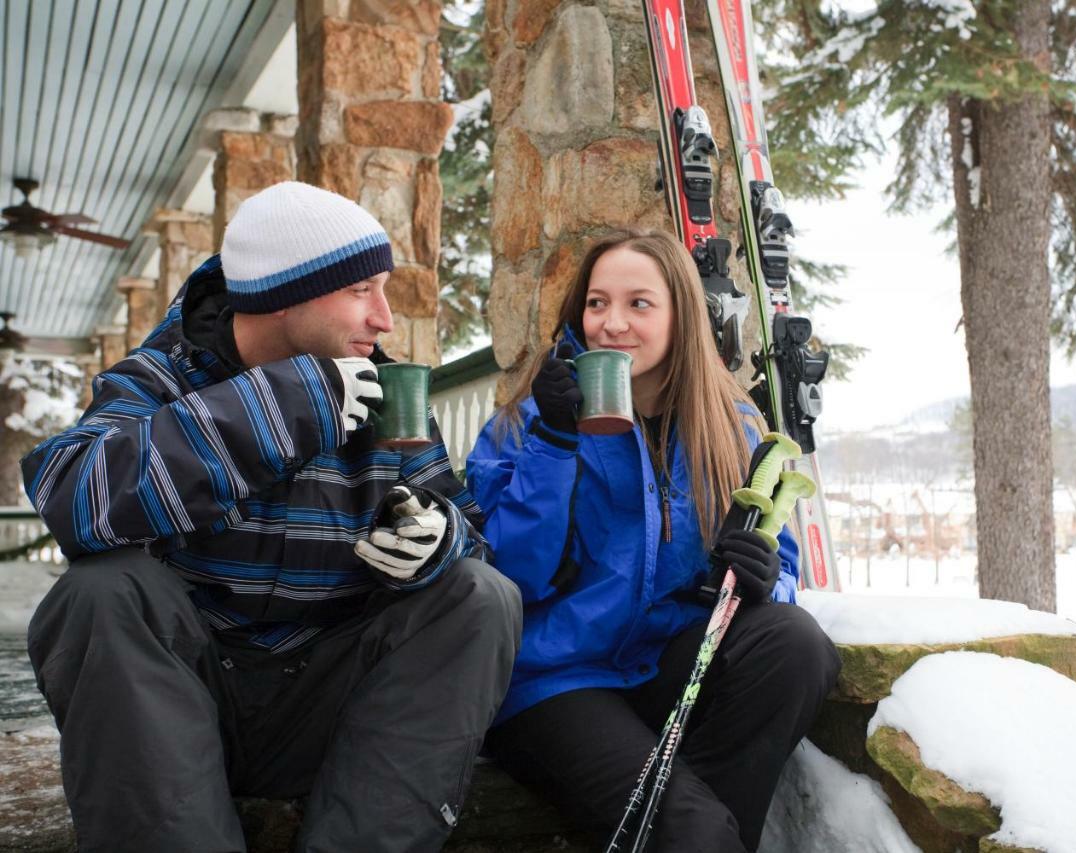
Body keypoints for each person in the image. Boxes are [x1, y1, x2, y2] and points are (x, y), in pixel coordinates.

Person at [22, 181, 522, 853]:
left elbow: (474, 546)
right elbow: (71, 493)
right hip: (176, 719)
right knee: (99, 591)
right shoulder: (164, 376)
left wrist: (441, 541)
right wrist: (276, 407)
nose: (385, 319)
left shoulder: (386, 390)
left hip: (335, 713)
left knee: (478, 595)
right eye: (361, 290)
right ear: (287, 293)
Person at [467, 229, 840, 852]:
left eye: (638, 304)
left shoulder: (733, 422)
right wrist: (555, 444)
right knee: (694, 830)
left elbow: (782, 558)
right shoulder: (531, 419)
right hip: (558, 680)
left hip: (668, 664)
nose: (611, 323)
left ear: (680, 317)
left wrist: (761, 576)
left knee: (795, 643)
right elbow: (509, 576)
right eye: (596, 303)